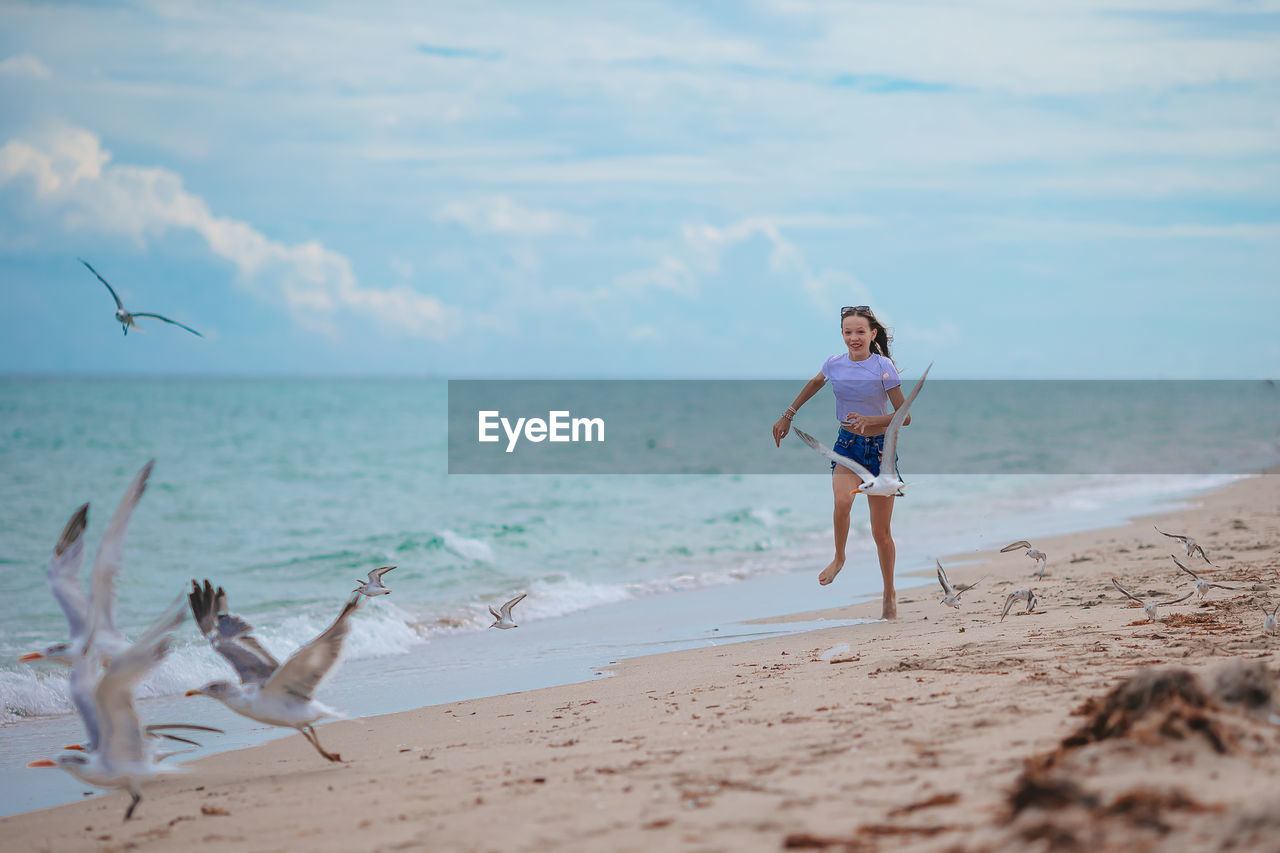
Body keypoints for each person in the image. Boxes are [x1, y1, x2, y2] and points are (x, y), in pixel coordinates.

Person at [771, 305, 911, 620]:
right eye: (848, 332)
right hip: (846, 446)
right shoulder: (834, 364)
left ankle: (889, 591)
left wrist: (870, 420)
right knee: (842, 503)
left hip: (879, 452)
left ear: (872, 333)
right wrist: (787, 415)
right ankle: (839, 557)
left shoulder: (883, 366)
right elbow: (814, 385)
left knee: (881, 533)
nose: (854, 338)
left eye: (860, 331)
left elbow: (905, 416)